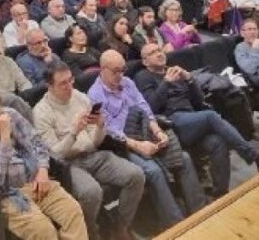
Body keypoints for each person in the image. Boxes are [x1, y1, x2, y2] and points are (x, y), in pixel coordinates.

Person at [136, 42, 259, 197]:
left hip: (191, 119)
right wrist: (166, 83)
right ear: (145, 61)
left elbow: (199, 100)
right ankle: (254, 155)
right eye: (153, 52)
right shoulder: (143, 77)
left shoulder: (173, 70)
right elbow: (150, 107)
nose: (159, 54)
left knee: (218, 143)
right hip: (171, 123)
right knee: (210, 116)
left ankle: (220, 193)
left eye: (159, 50)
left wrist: (190, 80)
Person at [88, 50, 206, 229]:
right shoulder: (95, 95)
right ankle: (177, 224)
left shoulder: (127, 82)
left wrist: (157, 130)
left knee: (184, 158)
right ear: (102, 69)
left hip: (143, 131)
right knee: (153, 171)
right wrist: (138, 146)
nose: (120, 75)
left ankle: (201, 210)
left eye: (123, 70)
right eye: (115, 71)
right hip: (122, 144)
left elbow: (144, 107)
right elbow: (110, 131)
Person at [0, 88, 89, 240]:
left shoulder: (11, 115)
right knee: (44, 231)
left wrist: (43, 169)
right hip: (7, 194)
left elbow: (37, 143)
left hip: (35, 180)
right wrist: (5, 139)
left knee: (73, 211)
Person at [33, 62, 144, 240]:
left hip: (93, 155)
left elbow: (94, 142)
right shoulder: (41, 112)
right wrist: (74, 132)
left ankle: (120, 227)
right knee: (91, 192)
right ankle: (92, 234)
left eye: (71, 80)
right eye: (63, 83)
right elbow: (55, 155)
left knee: (136, 175)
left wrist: (100, 126)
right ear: (49, 86)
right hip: (69, 164)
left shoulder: (80, 97)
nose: (69, 86)